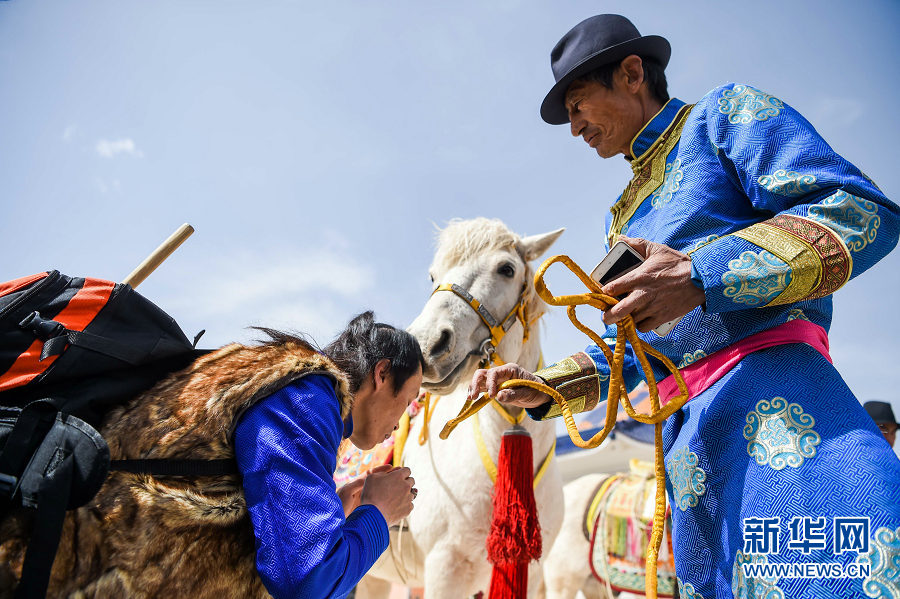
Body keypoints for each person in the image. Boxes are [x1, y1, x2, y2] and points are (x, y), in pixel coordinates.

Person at [469, 14, 900, 599]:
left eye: (578, 105)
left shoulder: (724, 117)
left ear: (630, 74)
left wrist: (701, 274)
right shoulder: (620, 217)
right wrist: (544, 388)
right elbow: (640, 351)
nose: (574, 129)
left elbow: (859, 210)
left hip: (784, 426)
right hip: (691, 467)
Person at [0, 311, 423, 599]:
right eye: (408, 400)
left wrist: (334, 508)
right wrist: (376, 513)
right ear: (382, 373)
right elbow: (306, 578)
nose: (403, 419)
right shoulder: (309, 393)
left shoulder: (282, 383)